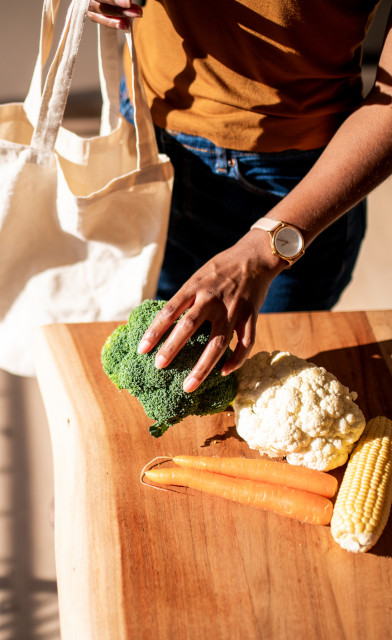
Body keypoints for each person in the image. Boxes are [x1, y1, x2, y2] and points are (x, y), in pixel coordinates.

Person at [87, 0, 392, 392]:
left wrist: (265, 250)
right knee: (160, 348)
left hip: (302, 178)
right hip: (151, 135)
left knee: (271, 378)